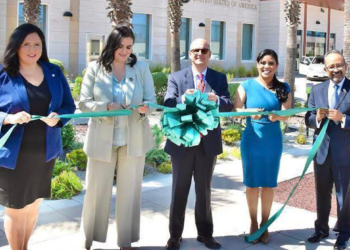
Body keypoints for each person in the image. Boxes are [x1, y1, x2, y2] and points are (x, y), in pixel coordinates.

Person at [79, 25, 156, 250]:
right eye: (120, 46)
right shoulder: (95, 68)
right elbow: (83, 103)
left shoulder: (141, 68)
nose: (125, 51)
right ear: (112, 45)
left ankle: (126, 241)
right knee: (95, 193)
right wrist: (107, 106)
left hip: (134, 141)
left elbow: (151, 100)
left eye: (129, 47)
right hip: (101, 140)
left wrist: (145, 108)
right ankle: (89, 240)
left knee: (130, 193)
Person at [0, 23, 76, 250]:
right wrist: (9, 118)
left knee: (33, 204)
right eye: (26, 44)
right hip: (13, 155)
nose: (32, 49)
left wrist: (58, 118)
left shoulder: (53, 72)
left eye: (37, 44)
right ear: (16, 46)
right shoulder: (3, 75)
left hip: (44, 152)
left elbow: (68, 106)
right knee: (15, 208)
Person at [164, 38, 233, 250]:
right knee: (179, 190)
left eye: (204, 50)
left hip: (207, 145)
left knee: (204, 191)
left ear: (209, 54)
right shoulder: (176, 78)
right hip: (182, 144)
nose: (200, 54)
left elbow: (228, 105)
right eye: (196, 50)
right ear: (189, 53)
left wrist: (216, 99)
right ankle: (175, 236)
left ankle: (205, 234)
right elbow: (167, 103)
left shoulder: (219, 78)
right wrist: (182, 99)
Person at [234, 49, 291, 244]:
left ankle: (265, 225)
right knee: (252, 184)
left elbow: (287, 114)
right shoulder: (246, 85)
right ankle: (253, 223)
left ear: (276, 66)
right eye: (263, 62)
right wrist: (250, 112)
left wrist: (278, 116)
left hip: (272, 141)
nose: (267, 66)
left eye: (271, 63)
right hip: (251, 139)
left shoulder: (284, 87)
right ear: (257, 64)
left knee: (268, 184)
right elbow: (237, 111)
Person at [305, 50, 350, 250]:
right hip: (322, 152)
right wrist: (318, 118)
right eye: (331, 66)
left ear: (345, 66)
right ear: (325, 69)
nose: (335, 69)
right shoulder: (317, 90)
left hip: (344, 153)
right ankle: (321, 229)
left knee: (344, 197)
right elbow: (308, 118)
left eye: (338, 65)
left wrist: (343, 119)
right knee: (322, 193)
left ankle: (343, 234)